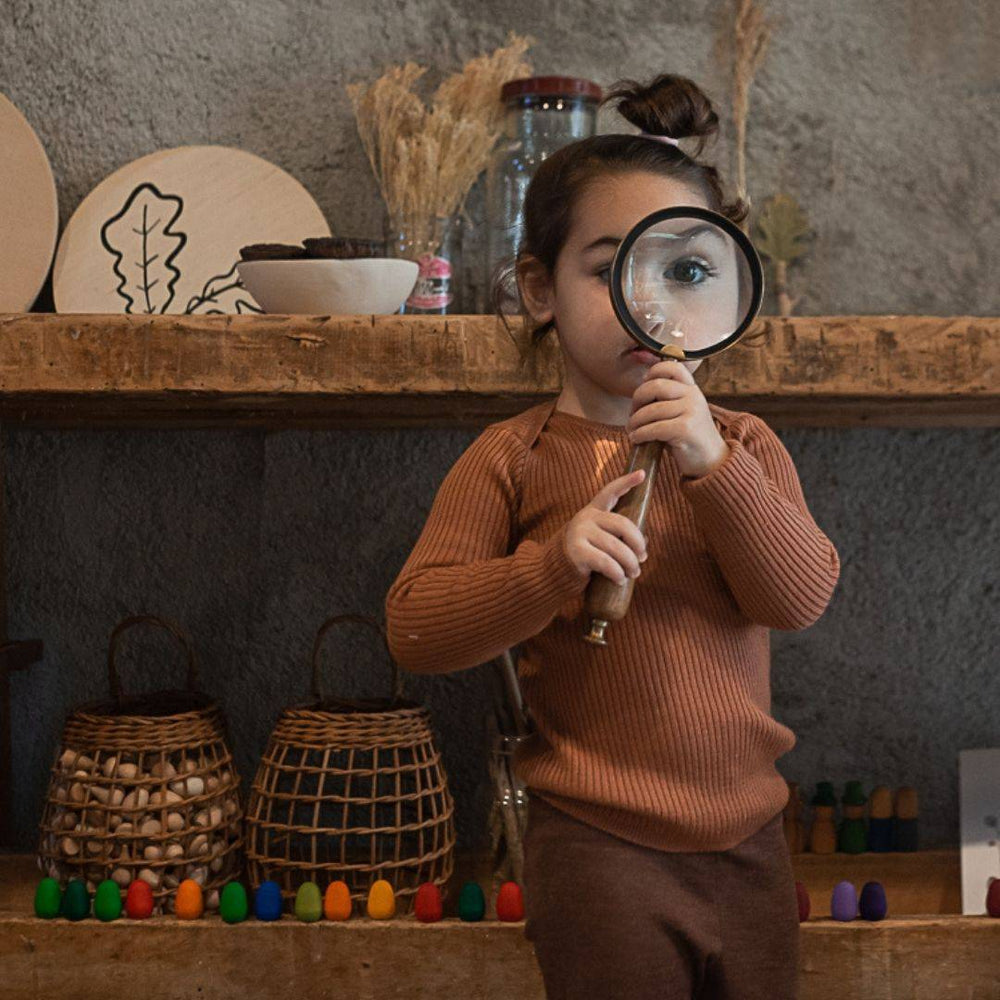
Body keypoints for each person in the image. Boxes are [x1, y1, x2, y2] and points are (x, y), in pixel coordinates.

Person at [385, 73, 840, 1000]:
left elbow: (798, 597)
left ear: (728, 286)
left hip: (751, 841)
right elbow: (417, 627)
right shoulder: (515, 457)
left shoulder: (743, 444)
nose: (655, 302)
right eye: (609, 270)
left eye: (688, 270)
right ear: (537, 289)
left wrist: (714, 465)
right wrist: (549, 569)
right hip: (596, 846)